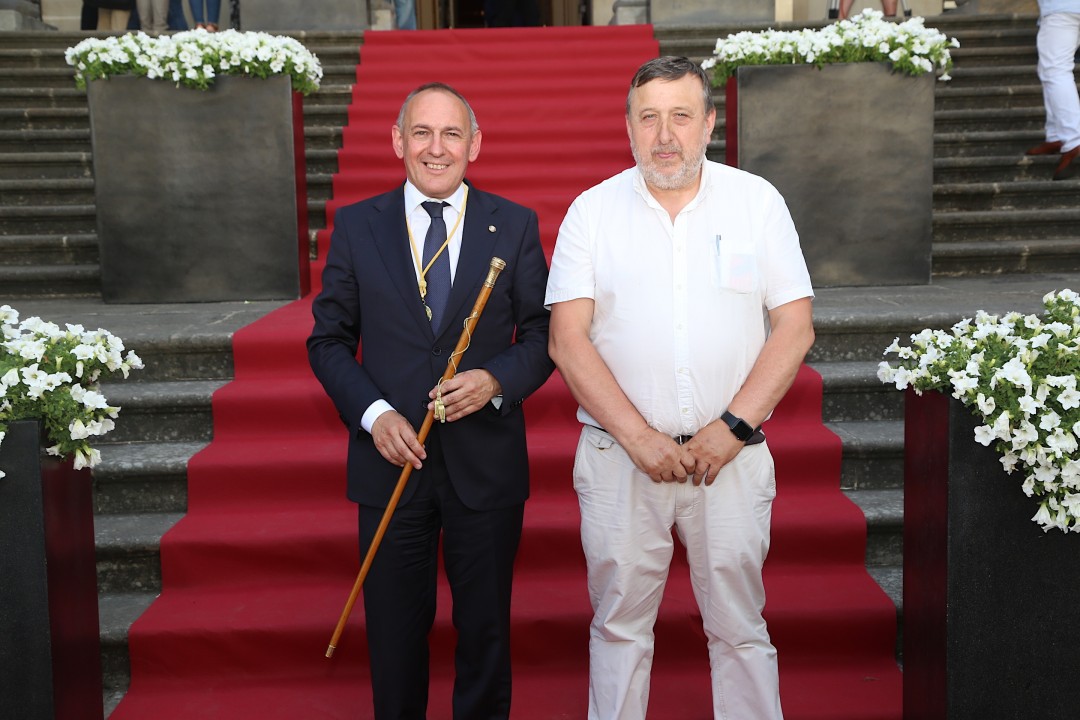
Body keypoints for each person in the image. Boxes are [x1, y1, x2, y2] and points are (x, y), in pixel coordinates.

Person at [545, 56, 815, 720]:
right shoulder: (591, 212)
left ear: (710, 123)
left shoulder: (757, 202)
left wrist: (733, 427)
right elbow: (567, 340)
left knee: (741, 628)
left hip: (732, 458)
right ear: (629, 127)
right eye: (649, 118)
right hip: (618, 458)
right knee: (618, 626)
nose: (665, 135)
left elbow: (794, 328)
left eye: (681, 117)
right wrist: (638, 437)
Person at [308, 82, 553, 719]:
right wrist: (374, 415)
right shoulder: (358, 226)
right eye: (421, 133)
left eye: (451, 134)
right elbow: (328, 341)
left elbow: (544, 335)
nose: (436, 148)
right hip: (390, 460)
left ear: (475, 144)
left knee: (485, 633)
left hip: (485, 464)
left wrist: (495, 380)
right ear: (398, 142)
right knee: (393, 638)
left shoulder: (515, 224)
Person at [1026, 0, 1080, 180]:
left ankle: (1073, 141)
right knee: (1049, 70)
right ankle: (1056, 135)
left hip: (1062, 7)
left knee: (1056, 71)